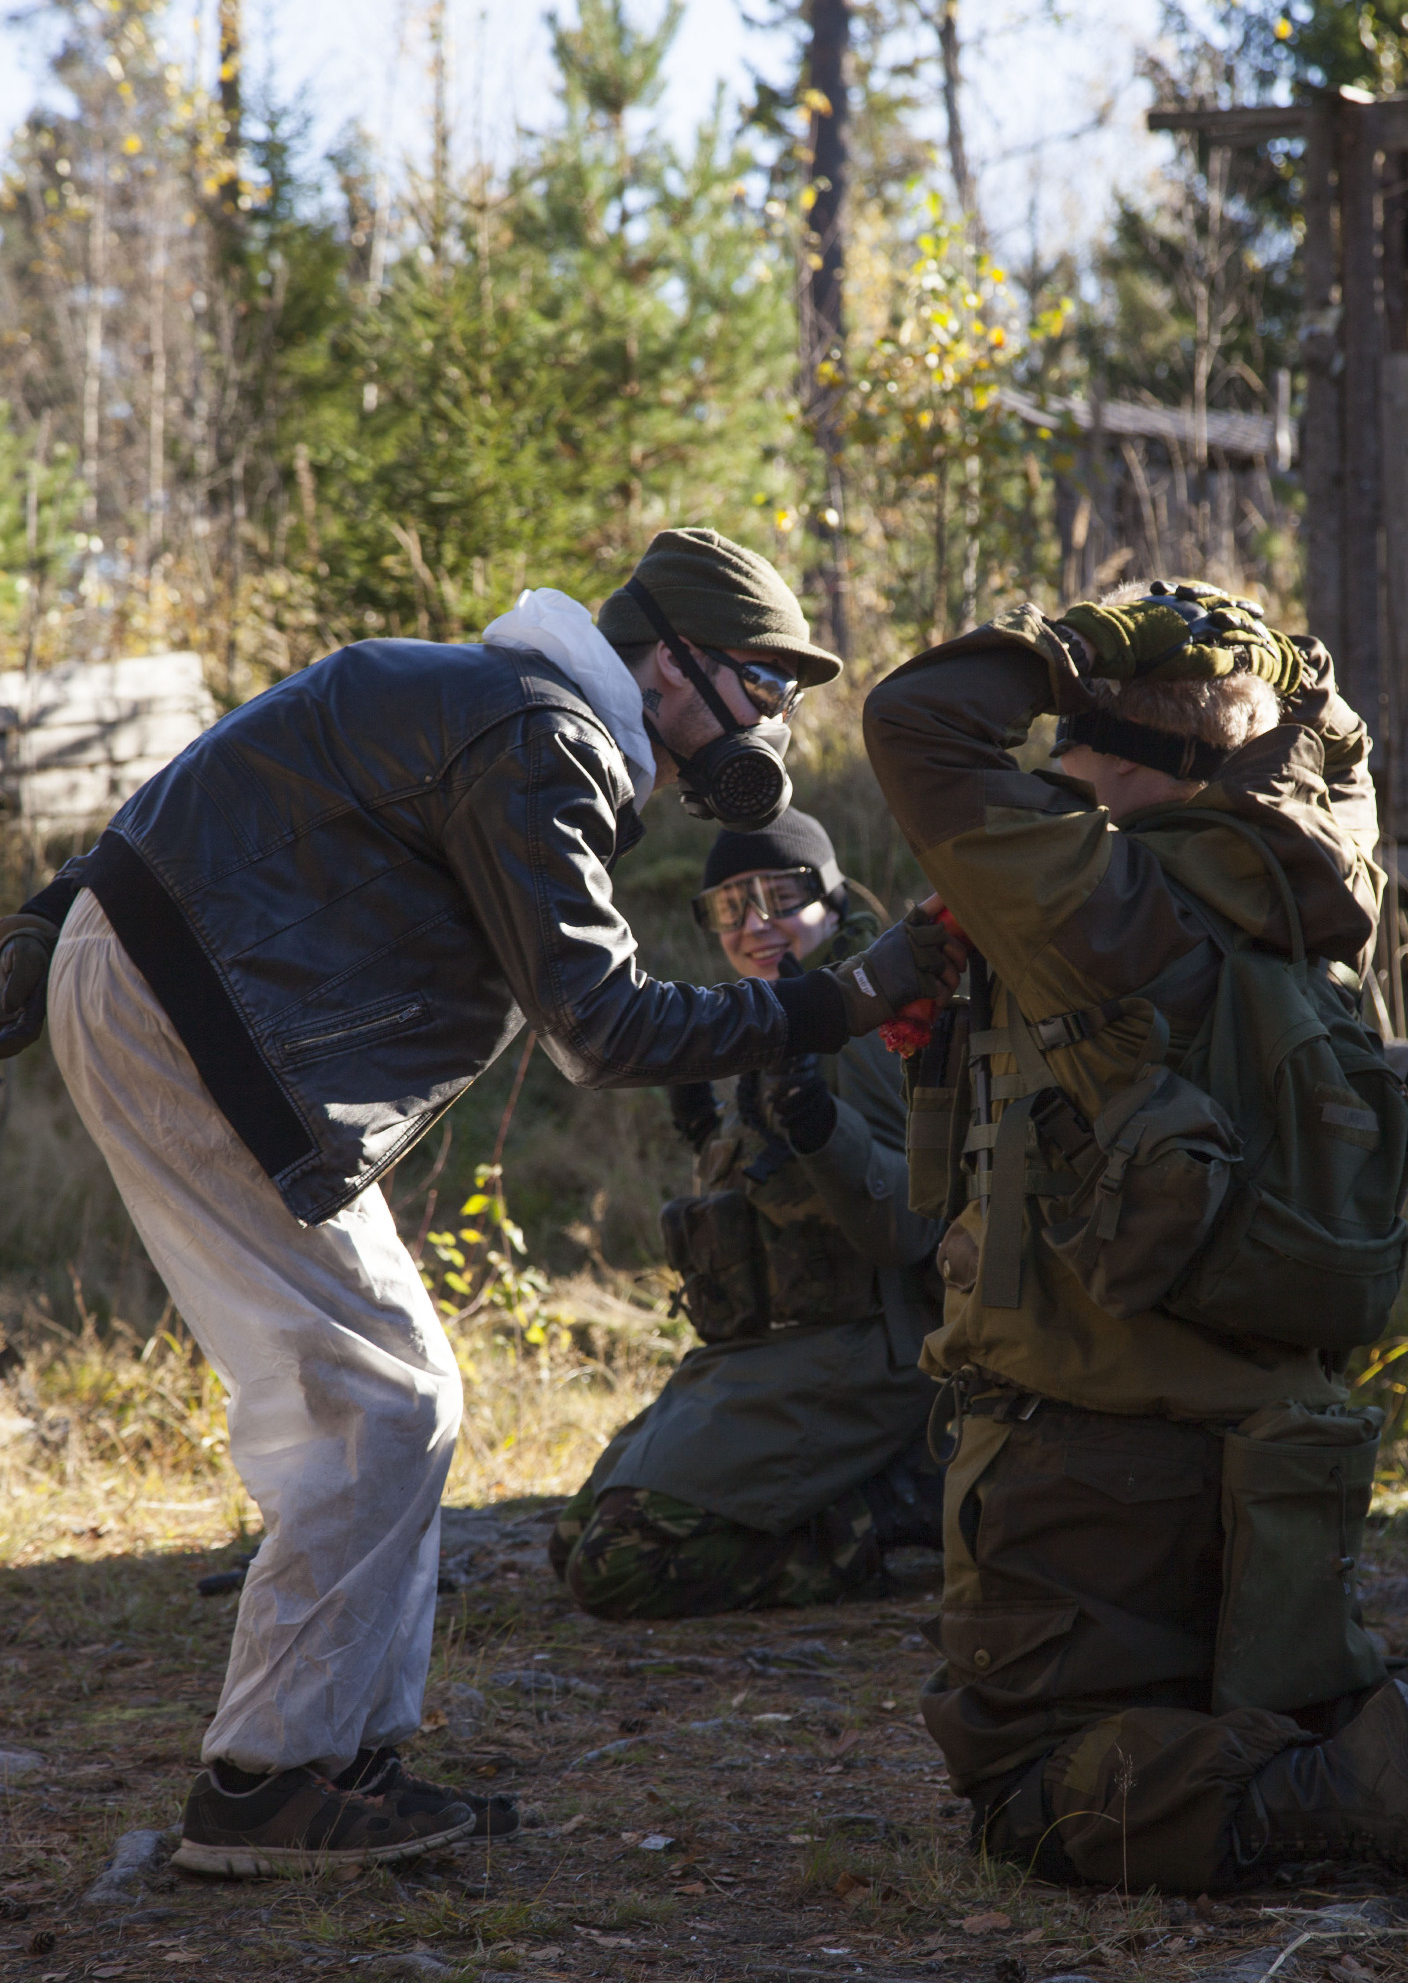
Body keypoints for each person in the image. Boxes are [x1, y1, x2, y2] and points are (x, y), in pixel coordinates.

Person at [0, 529, 961, 1880]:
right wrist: (843, 997)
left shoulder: (471, 687)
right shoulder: (544, 738)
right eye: (760, 684)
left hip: (174, 999)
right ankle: (269, 1783)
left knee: (398, 1394)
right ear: (668, 666)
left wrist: (59, 908)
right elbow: (604, 1029)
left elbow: (238, 758)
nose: (768, 726)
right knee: (377, 1402)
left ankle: (341, 1759)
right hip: (201, 1023)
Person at [862, 580, 1408, 1916]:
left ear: (1131, 759)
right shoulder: (1311, 893)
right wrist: (1271, 673)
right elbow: (1330, 745)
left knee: (1025, 1789)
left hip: (1087, 1463)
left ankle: (1340, 1788)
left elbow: (914, 718)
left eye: (1072, 748)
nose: (1052, 773)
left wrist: (1076, 643)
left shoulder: (1095, 899)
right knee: (1251, 1701)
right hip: (1283, 1455)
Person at [550, 809, 944, 1617]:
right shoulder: (781, 1014)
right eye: (730, 906)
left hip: (866, 1350)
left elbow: (913, 1226)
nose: (755, 924)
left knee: (619, 1565)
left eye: (781, 895)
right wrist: (711, 1138)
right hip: (765, 1350)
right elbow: (778, 1212)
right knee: (572, 1540)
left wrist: (820, 1127)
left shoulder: (872, 1025)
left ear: (832, 898)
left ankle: (892, 1511)